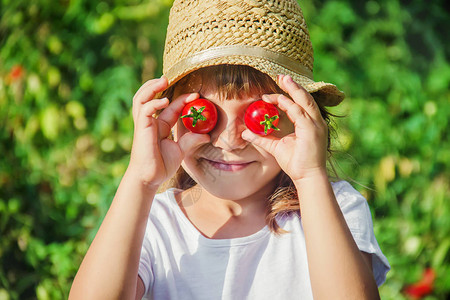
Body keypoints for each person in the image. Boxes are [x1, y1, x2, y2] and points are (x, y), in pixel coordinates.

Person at [69, 0, 390, 299]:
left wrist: (309, 177)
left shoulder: (332, 209)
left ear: (302, 119)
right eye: (203, 115)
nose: (229, 140)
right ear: (169, 115)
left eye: (261, 116)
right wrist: (139, 180)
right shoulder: (153, 225)